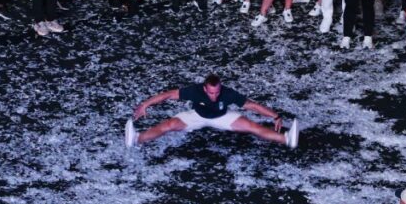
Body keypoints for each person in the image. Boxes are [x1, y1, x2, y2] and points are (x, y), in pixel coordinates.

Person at [125, 74, 299, 149]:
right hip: (197, 116)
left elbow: (252, 105)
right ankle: (136, 138)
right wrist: (145, 104)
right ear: (204, 89)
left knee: (252, 126)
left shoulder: (228, 93)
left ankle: (286, 139)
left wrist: (275, 115)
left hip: (223, 117)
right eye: (211, 92)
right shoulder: (195, 90)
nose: (214, 96)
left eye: (217, 92)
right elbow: (169, 95)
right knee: (168, 125)